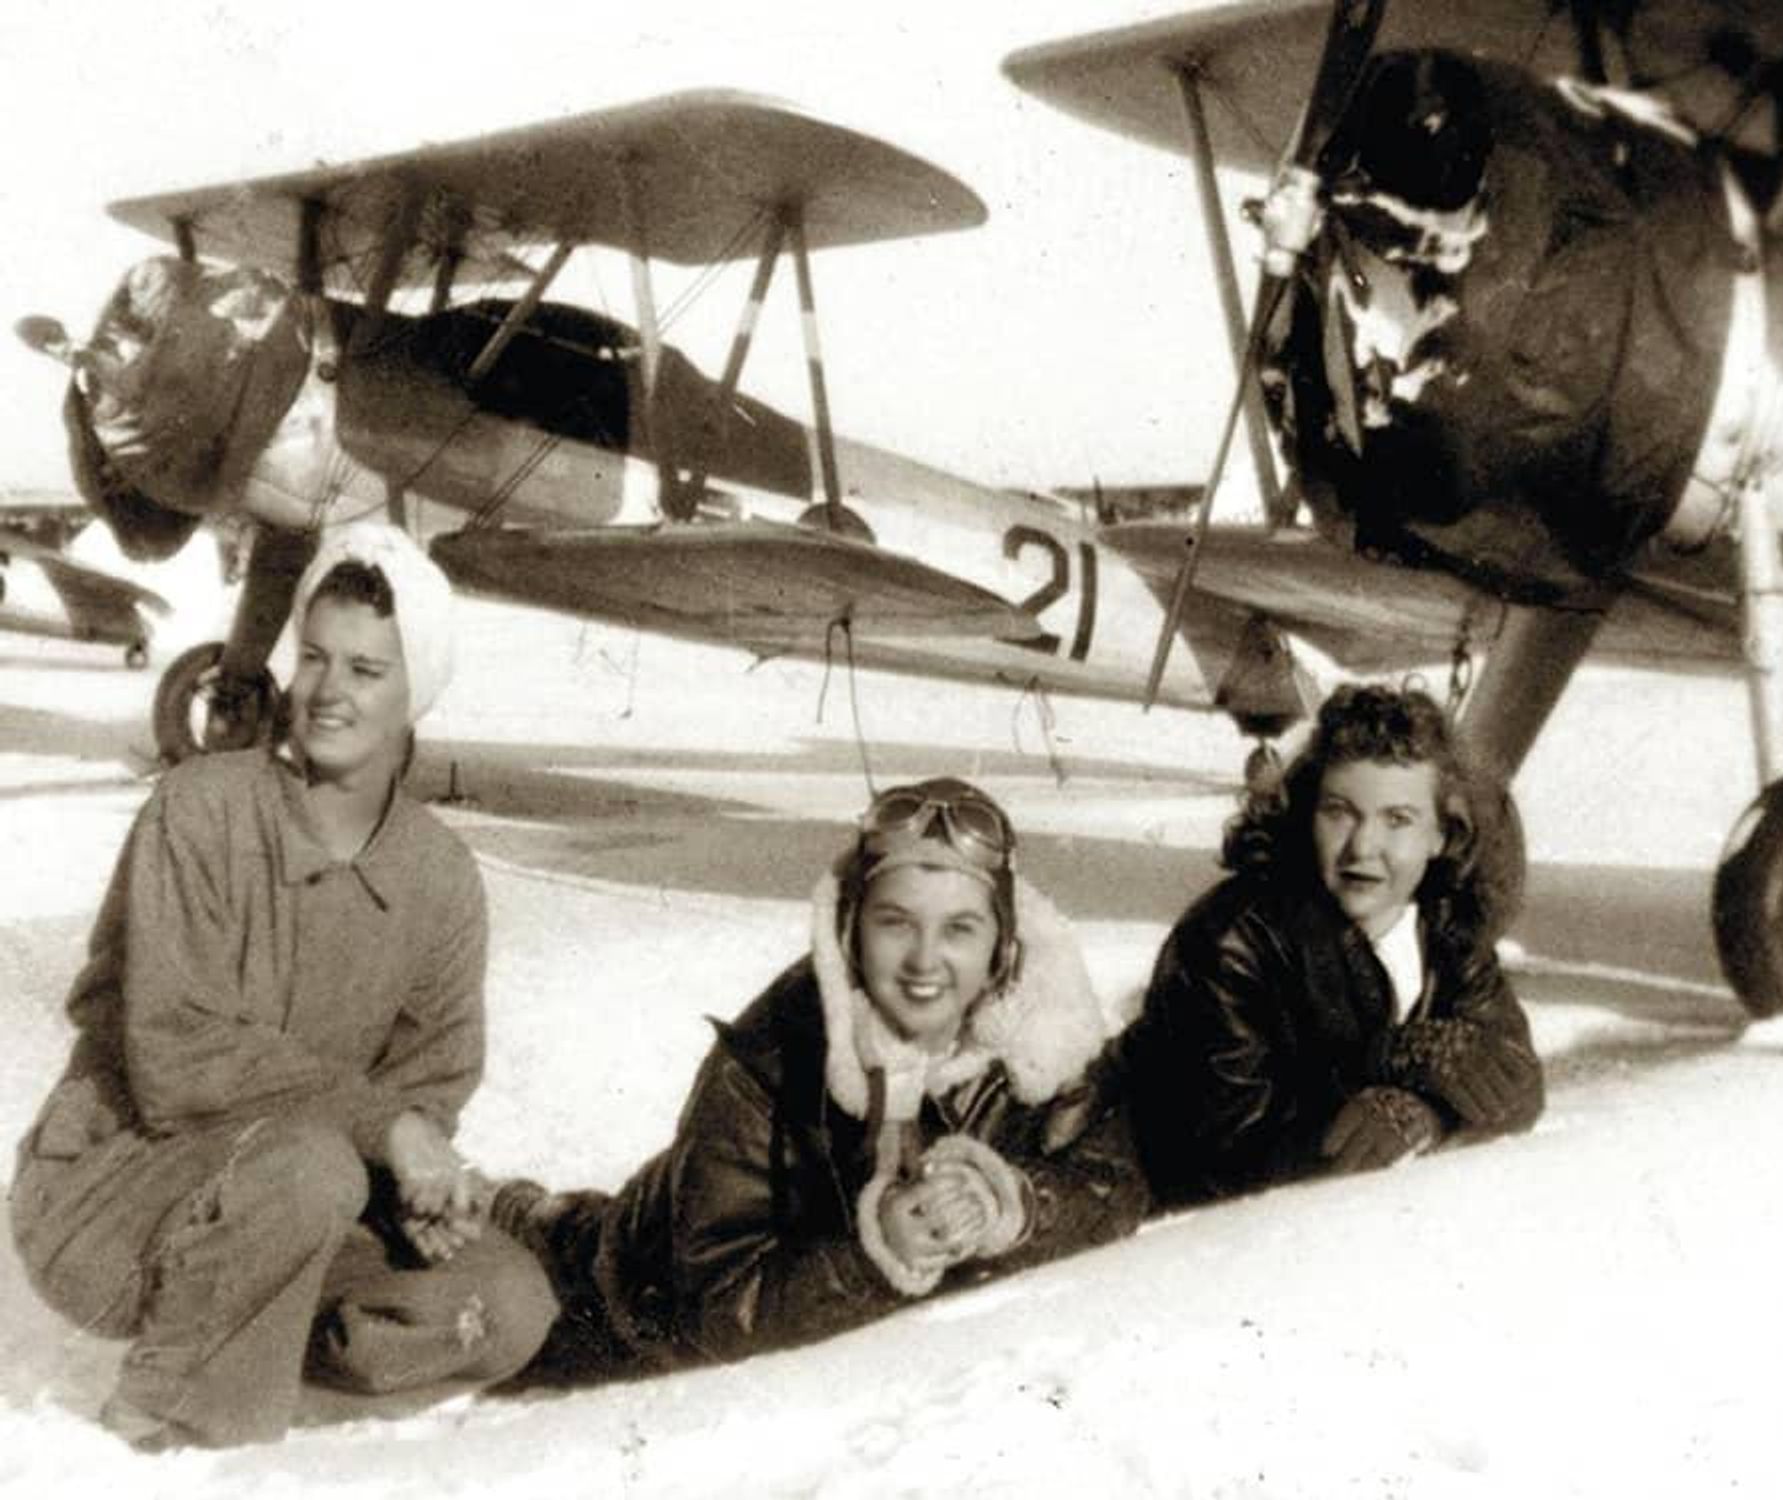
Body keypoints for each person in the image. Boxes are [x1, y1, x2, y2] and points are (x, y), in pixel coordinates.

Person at [8, 523, 557, 1449]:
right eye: (314, 658)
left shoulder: (442, 878)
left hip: (300, 1201)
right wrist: (386, 1131)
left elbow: (426, 1086)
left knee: (507, 1303)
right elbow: (175, 1051)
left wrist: (421, 1194)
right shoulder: (202, 808)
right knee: (312, 1165)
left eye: (366, 670)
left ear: (415, 691)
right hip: (108, 1199)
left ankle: (256, 1335)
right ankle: (156, 1424)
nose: (327, 693)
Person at [494, 777, 1147, 1374]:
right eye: (895, 923)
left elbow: (1114, 1184)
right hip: (639, 1296)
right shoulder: (766, 1060)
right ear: (850, 930)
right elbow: (718, 1306)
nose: (925, 961)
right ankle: (518, 1210)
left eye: (959, 929)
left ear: (1002, 947)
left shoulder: (1044, 1037)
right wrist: (875, 1254)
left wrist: (1010, 1203)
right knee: (561, 1252)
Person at [1122, 682, 1544, 1208]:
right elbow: (1220, 1157)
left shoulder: (1445, 926)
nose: (1363, 847)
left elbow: (1515, 1079)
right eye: (1340, 812)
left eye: (1398, 819)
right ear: (1307, 812)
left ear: (1441, 834)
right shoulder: (1231, 940)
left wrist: (1425, 1116)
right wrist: (1392, 1060)